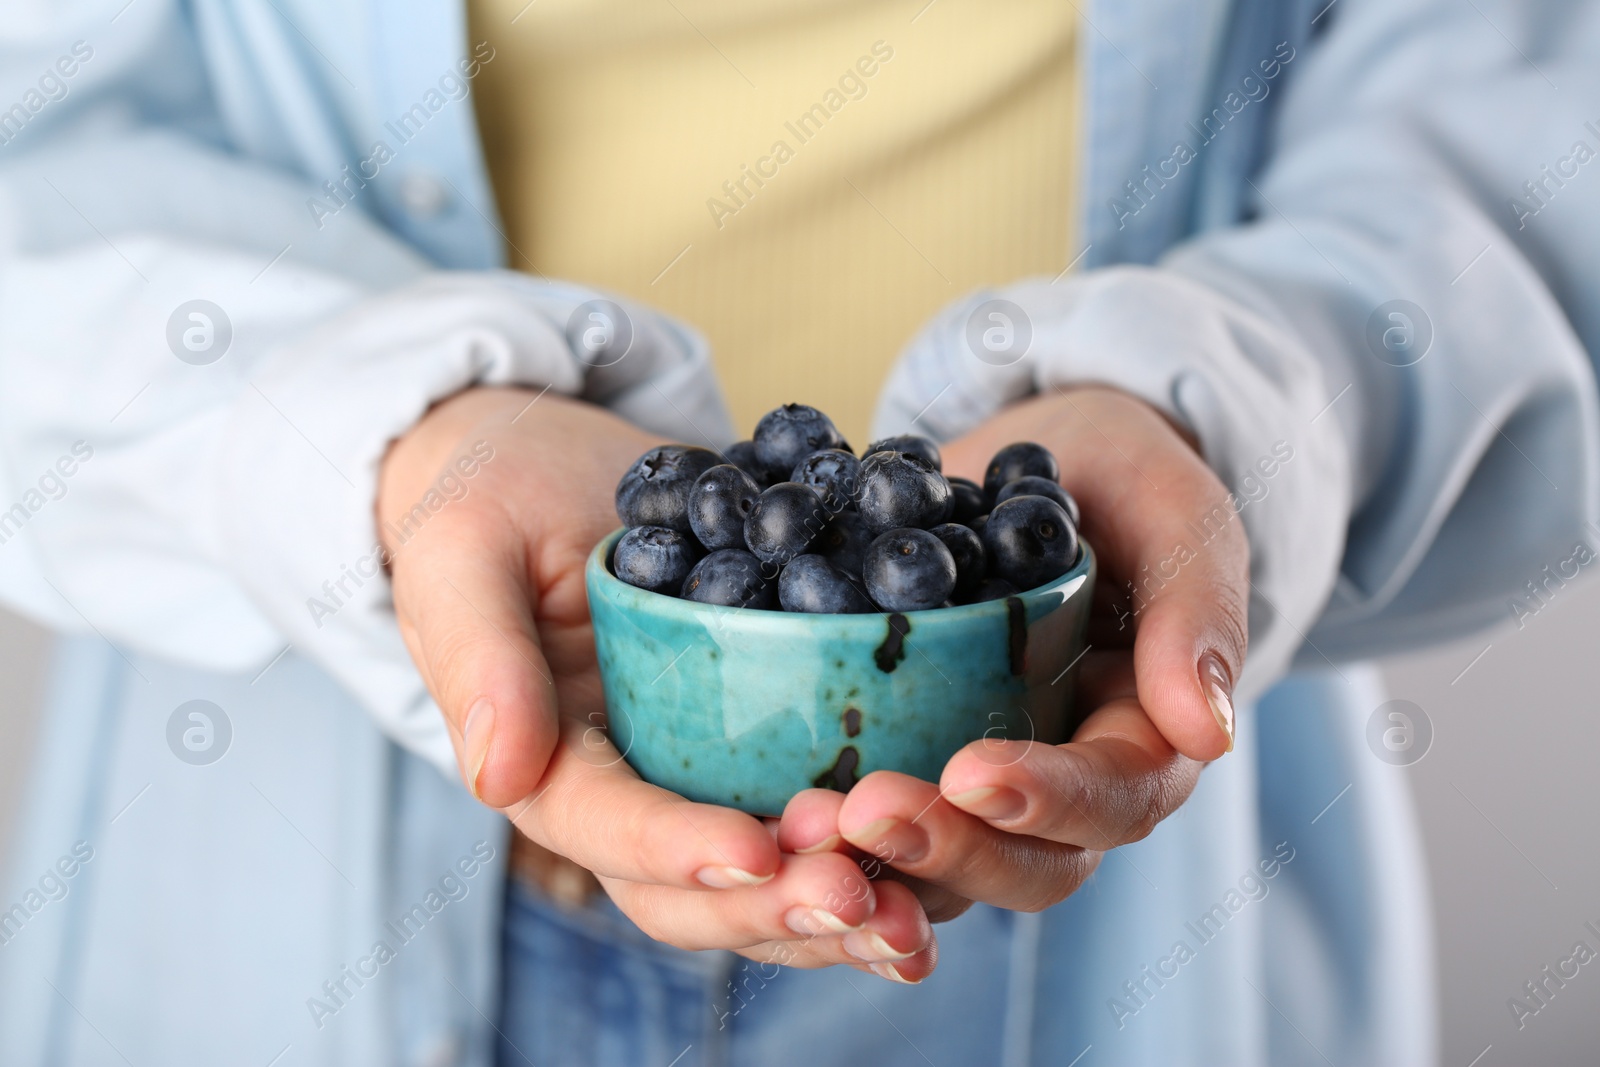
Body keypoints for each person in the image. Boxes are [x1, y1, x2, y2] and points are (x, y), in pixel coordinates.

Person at [0, 0, 1594, 1063]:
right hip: (307, 862)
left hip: (1095, 828)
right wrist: (388, 440)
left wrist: (1232, 409)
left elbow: (1531, 135)